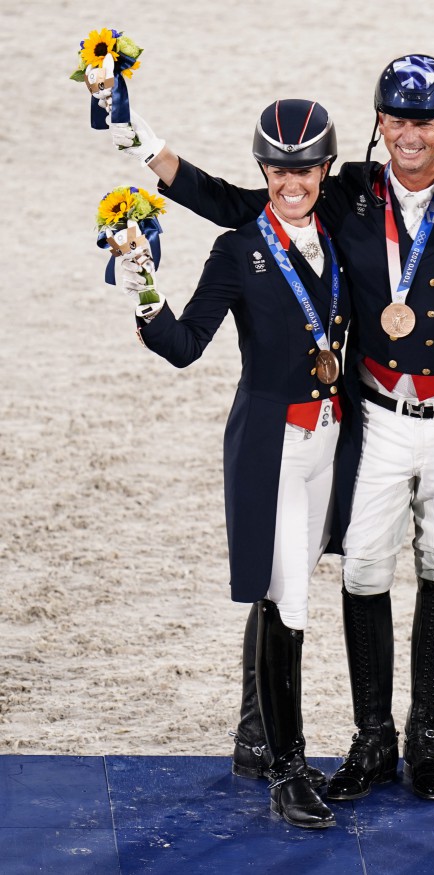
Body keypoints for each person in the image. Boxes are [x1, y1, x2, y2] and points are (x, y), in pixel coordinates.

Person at [107, 54, 434, 801]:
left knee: (394, 570)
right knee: (317, 578)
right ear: (376, 123)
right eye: (395, 118)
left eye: (423, 119)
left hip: (400, 424)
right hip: (336, 423)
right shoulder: (347, 192)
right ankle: (312, 746)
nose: (408, 133)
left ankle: (398, 738)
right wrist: (146, 152)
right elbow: (240, 208)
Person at [112, 100, 350, 829]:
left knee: (287, 586)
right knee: (289, 602)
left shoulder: (343, 227)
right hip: (271, 444)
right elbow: (185, 345)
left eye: (304, 168)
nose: (291, 182)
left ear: (325, 170)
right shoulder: (238, 249)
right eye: (278, 169)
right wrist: (144, 292)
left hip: (331, 441)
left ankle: (255, 735)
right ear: (264, 171)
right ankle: (287, 766)